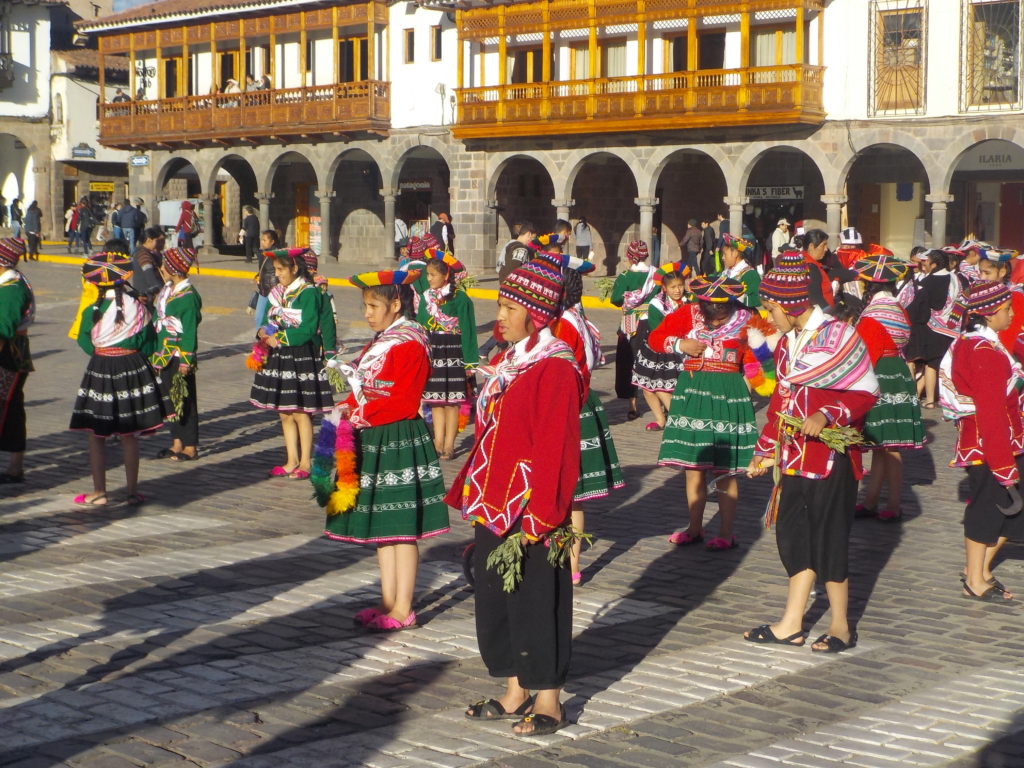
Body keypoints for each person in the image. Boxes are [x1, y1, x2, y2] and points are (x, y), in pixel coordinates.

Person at [451, 252, 581, 738]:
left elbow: (557, 446)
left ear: (536, 313)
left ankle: (549, 697)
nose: (499, 316)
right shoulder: (508, 360)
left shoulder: (555, 367)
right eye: (500, 305)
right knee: (496, 599)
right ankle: (514, 688)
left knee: (537, 599)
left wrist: (542, 516)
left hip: (531, 508)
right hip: (492, 499)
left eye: (508, 307)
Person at [745, 251, 878, 652]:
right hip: (793, 457)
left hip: (831, 459)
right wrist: (764, 450)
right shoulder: (786, 345)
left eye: (770, 307)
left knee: (830, 539)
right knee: (794, 536)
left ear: (790, 304)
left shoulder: (841, 337)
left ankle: (840, 625)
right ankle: (792, 622)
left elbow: (866, 391)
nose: (767, 316)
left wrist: (826, 413)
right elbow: (781, 402)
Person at [322, 266, 450, 631]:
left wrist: (359, 414)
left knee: (401, 527)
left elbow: (403, 400)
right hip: (374, 436)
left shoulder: (409, 343)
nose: (367, 313)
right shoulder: (381, 341)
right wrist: (346, 406)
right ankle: (388, 601)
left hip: (397, 439)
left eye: (373, 305)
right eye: (365, 306)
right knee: (383, 527)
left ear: (396, 304)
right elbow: (366, 386)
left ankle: (404, 606)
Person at [651, 275, 778, 550]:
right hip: (693, 393)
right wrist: (679, 345)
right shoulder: (688, 313)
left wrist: (761, 374)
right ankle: (694, 528)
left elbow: (763, 361)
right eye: (712, 314)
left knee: (725, 469)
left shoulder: (748, 319)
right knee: (693, 467)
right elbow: (655, 337)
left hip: (728, 396)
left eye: (722, 314)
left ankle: (725, 532)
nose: (717, 320)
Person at [937, 281, 1024, 601]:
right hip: (989, 445)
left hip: (995, 441)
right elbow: (991, 412)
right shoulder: (985, 351)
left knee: (1006, 510)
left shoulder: (973, 342)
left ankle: (981, 571)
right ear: (991, 314)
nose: (1012, 315)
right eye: (1008, 310)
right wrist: (1003, 464)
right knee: (987, 510)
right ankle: (975, 578)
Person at [69, 249, 172, 507]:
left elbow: (85, 340)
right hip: (132, 366)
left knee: (96, 433)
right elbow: (149, 341)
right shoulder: (137, 307)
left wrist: (102, 352)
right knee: (129, 433)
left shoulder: (92, 310)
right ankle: (132, 491)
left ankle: (99, 491)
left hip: (102, 367)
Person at [552, 252, 623, 584]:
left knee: (569, 495)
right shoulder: (576, 317)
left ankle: (569, 562)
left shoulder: (564, 325)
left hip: (568, 407)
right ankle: (571, 564)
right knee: (572, 498)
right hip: (580, 402)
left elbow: (559, 371)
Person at [845, 251, 924, 522]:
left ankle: (893, 503)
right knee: (882, 444)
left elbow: (864, 352)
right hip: (898, 372)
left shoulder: (872, 316)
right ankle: (871, 500)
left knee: (889, 446)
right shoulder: (898, 309)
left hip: (881, 374)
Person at [248, 249, 334, 479]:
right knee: (284, 412)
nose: (277, 275)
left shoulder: (308, 293)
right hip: (279, 356)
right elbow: (268, 319)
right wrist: (263, 332)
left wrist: (281, 338)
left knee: (300, 411)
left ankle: (305, 462)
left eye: (280, 269)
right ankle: (291, 459)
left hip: (300, 355)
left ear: (294, 268)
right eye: (275, 270)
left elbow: (307, 328)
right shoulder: (277, 294)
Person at [415, 249, 477, 459]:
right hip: (433, 350)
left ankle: (450, 444)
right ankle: (437, 441)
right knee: (435, 400)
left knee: (451, 402)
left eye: (433, 275)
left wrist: (470, 363)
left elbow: (468, 331)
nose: (429, 279)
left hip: (453, 352)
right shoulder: (426, 298)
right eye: (427, 275)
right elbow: (422, 325)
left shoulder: (460, 299)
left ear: (446, 275)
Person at [151, 247, 202, 462]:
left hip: (179, 355)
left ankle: (190, 445)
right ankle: (176, 441)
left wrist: (186, 359)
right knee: (170, 400)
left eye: (165, 265)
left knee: (185, 399)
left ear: (174, 269)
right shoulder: (167, 290)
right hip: (163, 354)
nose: (161, 269)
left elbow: (189, 329)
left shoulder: (188, 297)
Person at [631, 262, 688, 430]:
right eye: (673, 287)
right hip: (657, 349)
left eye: (680, 286)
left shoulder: (689, 301)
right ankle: (661, 420)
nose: (677, 290)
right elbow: (658, 330)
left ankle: (678, 421)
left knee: (665, 388)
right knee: (648, 388)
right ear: (664, 287)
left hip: (679, 349)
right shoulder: (657, 305)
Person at [905, 249, 960, 408]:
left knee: (912, 360)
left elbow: (918, 307)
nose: (923, 266)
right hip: (950, 328)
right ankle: (929, 400)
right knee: (933, 364)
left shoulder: (927, 282)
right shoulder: (954, 279)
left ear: (934, 264)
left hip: (927, 328)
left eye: (925, 262)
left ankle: (912, 397)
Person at [0, 238, 33, 483]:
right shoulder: (9, 283)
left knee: (9, 409)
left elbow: (4, 327)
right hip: (10, 352)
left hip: (8, 355)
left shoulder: (13, 288)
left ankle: (15, 466)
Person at [610, 241, 653, 420]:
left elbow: (616, 299)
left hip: (631, 324)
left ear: (630, 256)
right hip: (652, 322)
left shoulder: (625, 276)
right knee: (653, 361)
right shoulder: (656, 275)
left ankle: (633, 406)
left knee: (631, 363)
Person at [978, 253, 1024, 363]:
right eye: (980, 272)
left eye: (987, 273)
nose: (982, 277)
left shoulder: (1015, 297)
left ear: (1002, 272)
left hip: (1001, 357)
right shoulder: (981, 293)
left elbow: (1007, 339)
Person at [717, 233, 761, 308]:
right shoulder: (726, 272)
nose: (723, 258)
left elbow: (758, 298)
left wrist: (735, 298)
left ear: (735, 253)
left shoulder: (750, 274)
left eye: (725, 254)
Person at [251, 229, 281, 330]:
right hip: (263, 290)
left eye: (264, 240)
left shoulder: (276, 255)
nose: (262, 242)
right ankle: (261, 341)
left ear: (272, 242)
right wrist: (258, 276)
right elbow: (264, 269)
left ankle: (267, 341)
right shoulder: (264, 254)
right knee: (259, 318)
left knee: (269, 319)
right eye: (261, 240)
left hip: (272, 291)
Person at [131, 226, 166, 303]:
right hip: (145, 294)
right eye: (157, 241)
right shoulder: (143, 255)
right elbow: (149, 274)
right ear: (149, 240)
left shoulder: (145, 252)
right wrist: (162, 291)